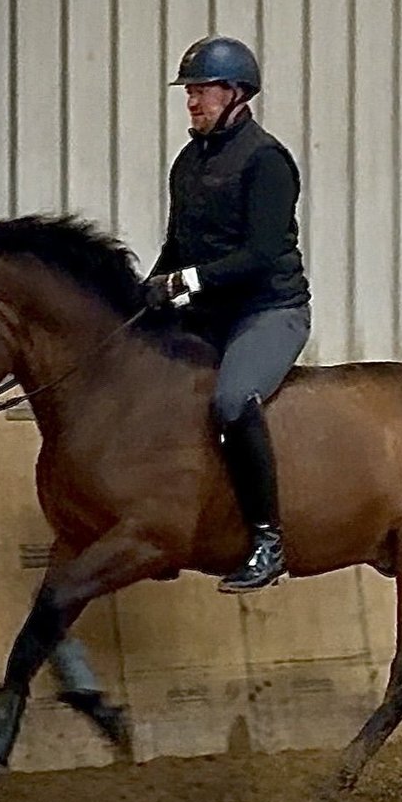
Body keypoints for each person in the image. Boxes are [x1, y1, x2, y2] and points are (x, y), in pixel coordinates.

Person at [143, 35, 312, 595]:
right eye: (189, 92)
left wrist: (186, 284)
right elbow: (178, 245)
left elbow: (260, 254)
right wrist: (147, 293)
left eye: (203, 91)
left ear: (237, 93)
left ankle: (269, 539)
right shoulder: (188, 161)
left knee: (231, 399)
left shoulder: (267, 160)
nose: (192, 102)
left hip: (268, 311)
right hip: (210, 311)